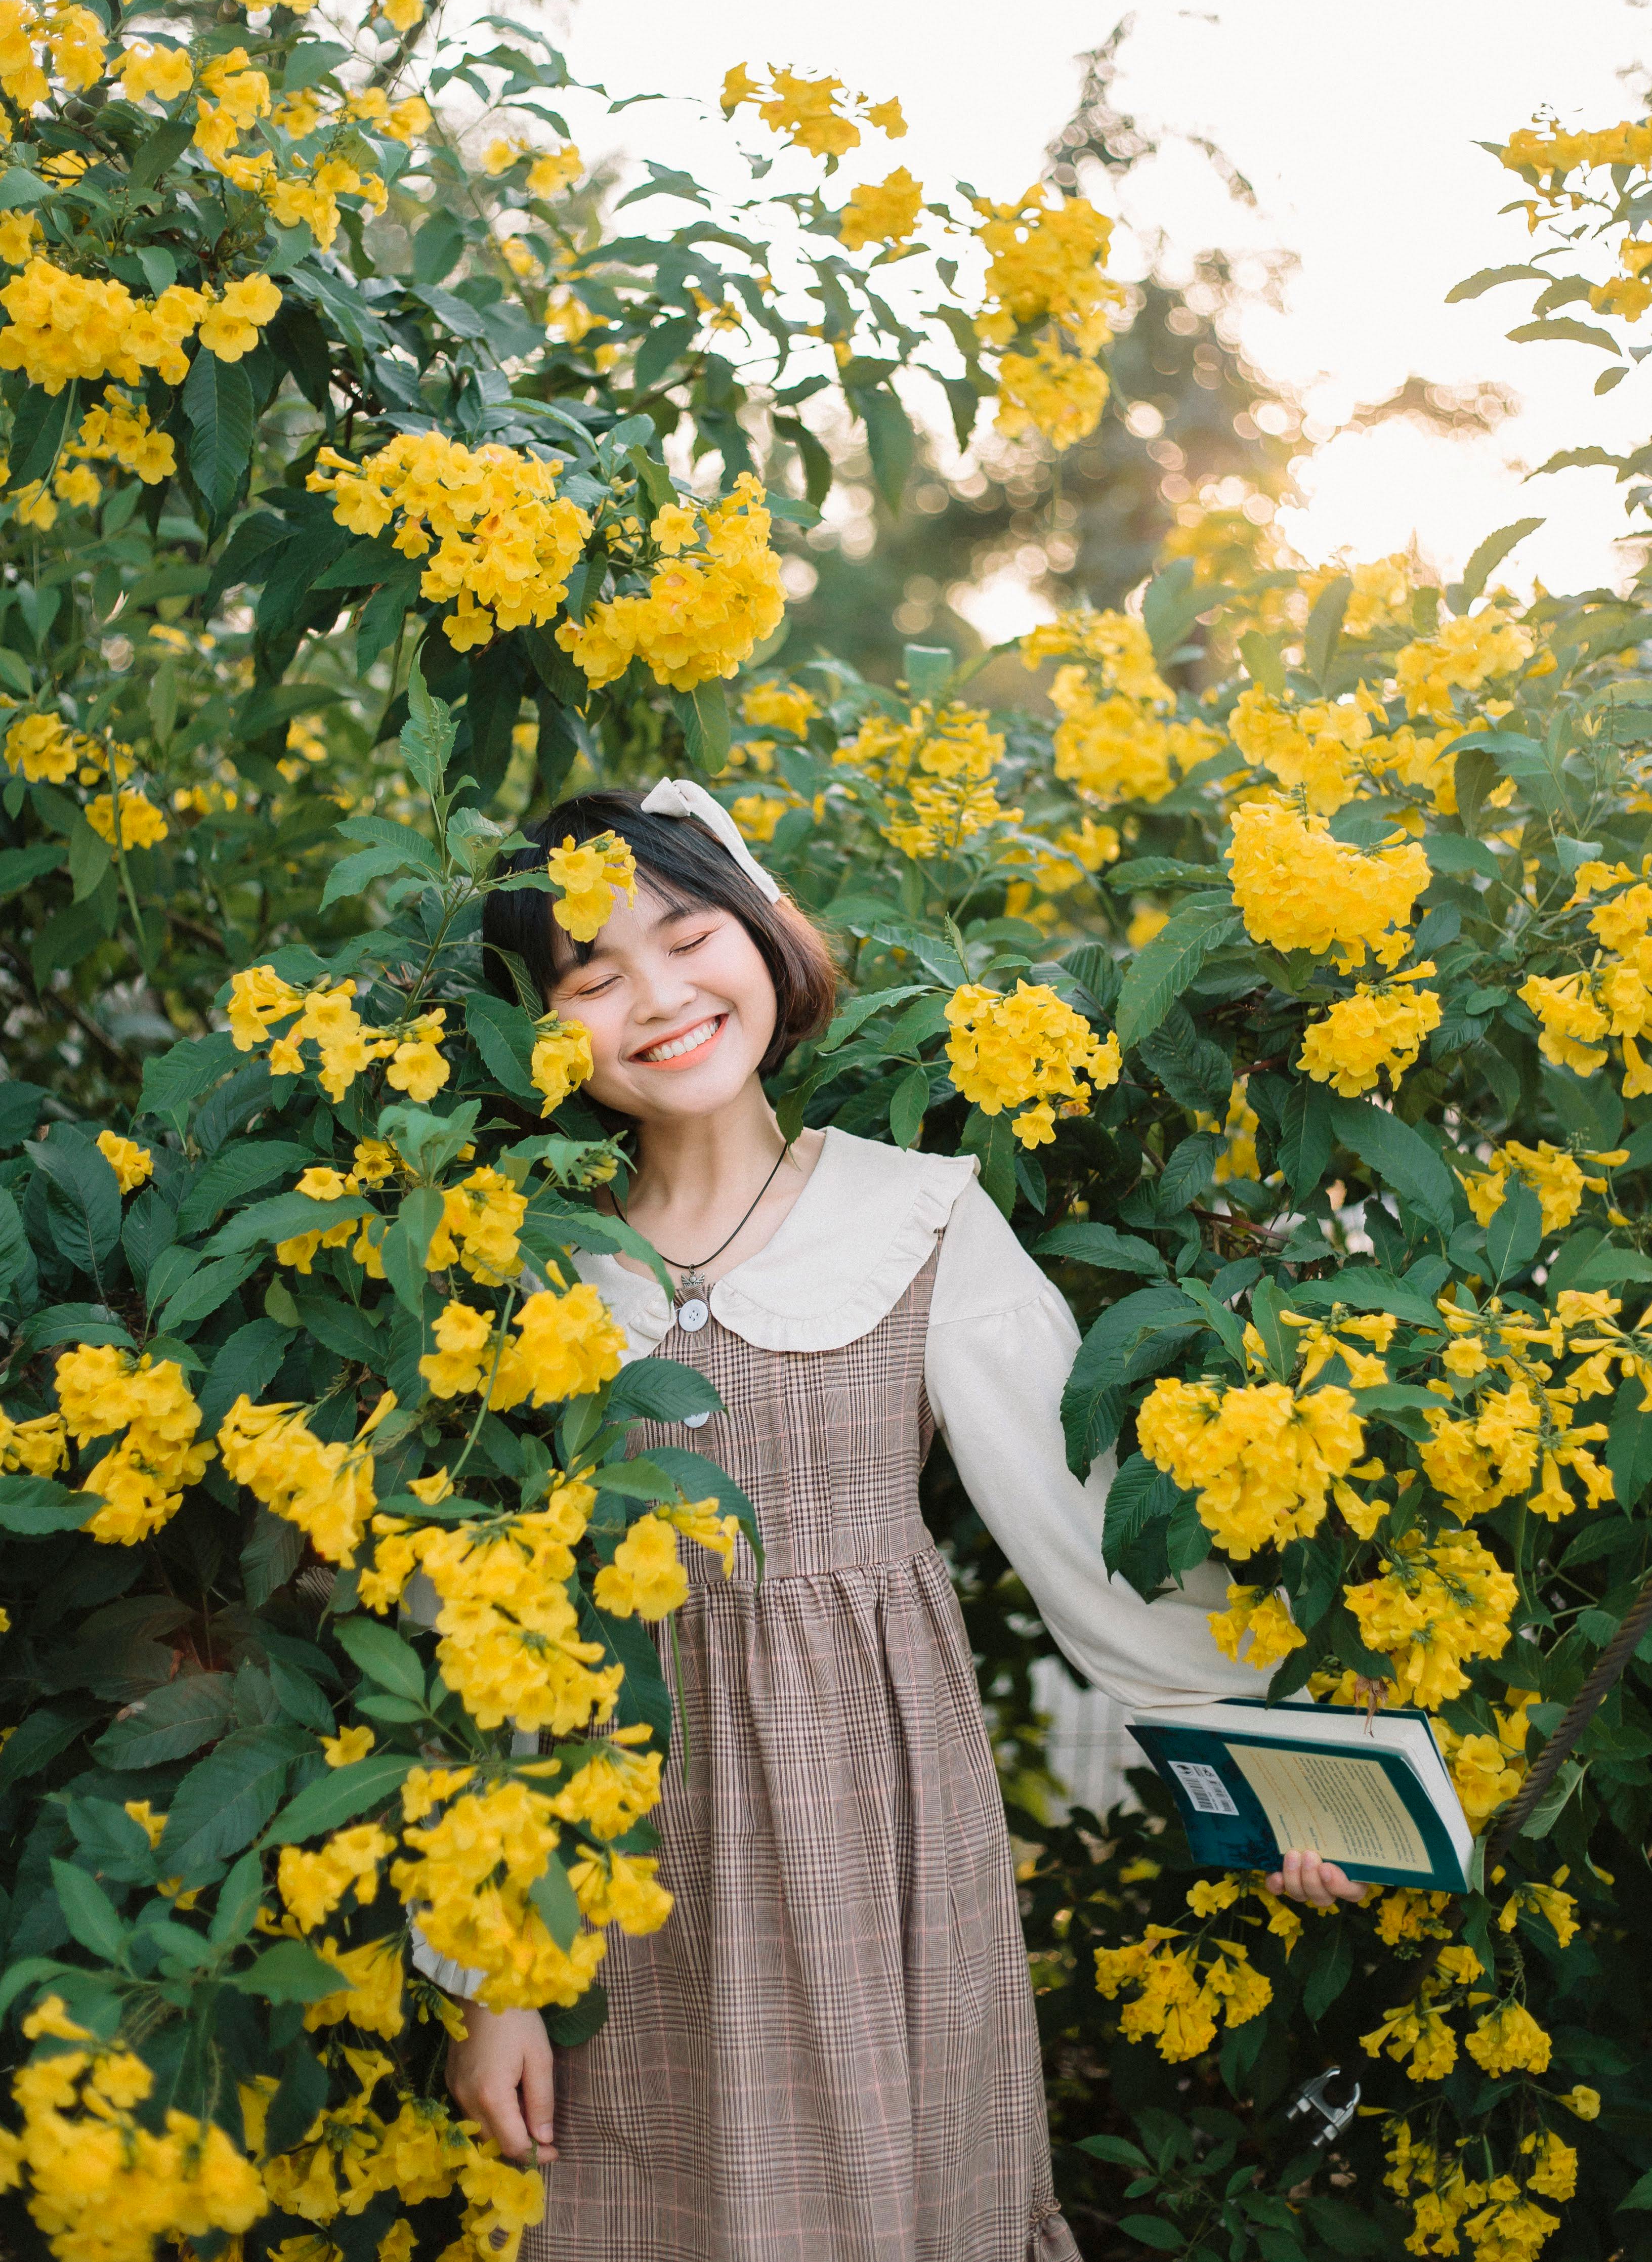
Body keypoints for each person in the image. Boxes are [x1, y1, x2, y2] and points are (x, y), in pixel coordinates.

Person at [423, 781, 1359, 2262]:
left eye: (685, 936)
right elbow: (469, 1644)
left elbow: (1086, 1543)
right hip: (609, 1860)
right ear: (541, 1028)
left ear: (759, 932)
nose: (657, 998)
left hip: (869, 1826)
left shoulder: (915, 1218)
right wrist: (493, 1975)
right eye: (591, 978)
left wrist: (1286, 1776)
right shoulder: (533, 1263)